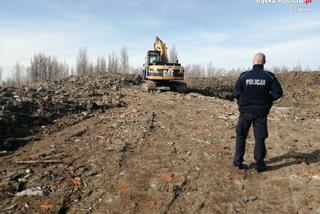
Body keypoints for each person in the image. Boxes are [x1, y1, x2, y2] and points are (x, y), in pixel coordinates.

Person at [233, 53, 283, 172]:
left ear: (253, 61)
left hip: (245, 112)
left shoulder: (244, 76)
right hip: (261, 112)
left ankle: (238, 162)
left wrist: (242, 102)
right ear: (264, 62)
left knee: (241, 136)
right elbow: (278, 93)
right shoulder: (269, 77)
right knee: (259, 138)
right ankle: (259, 165)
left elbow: (236, 91)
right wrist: (267, 100)